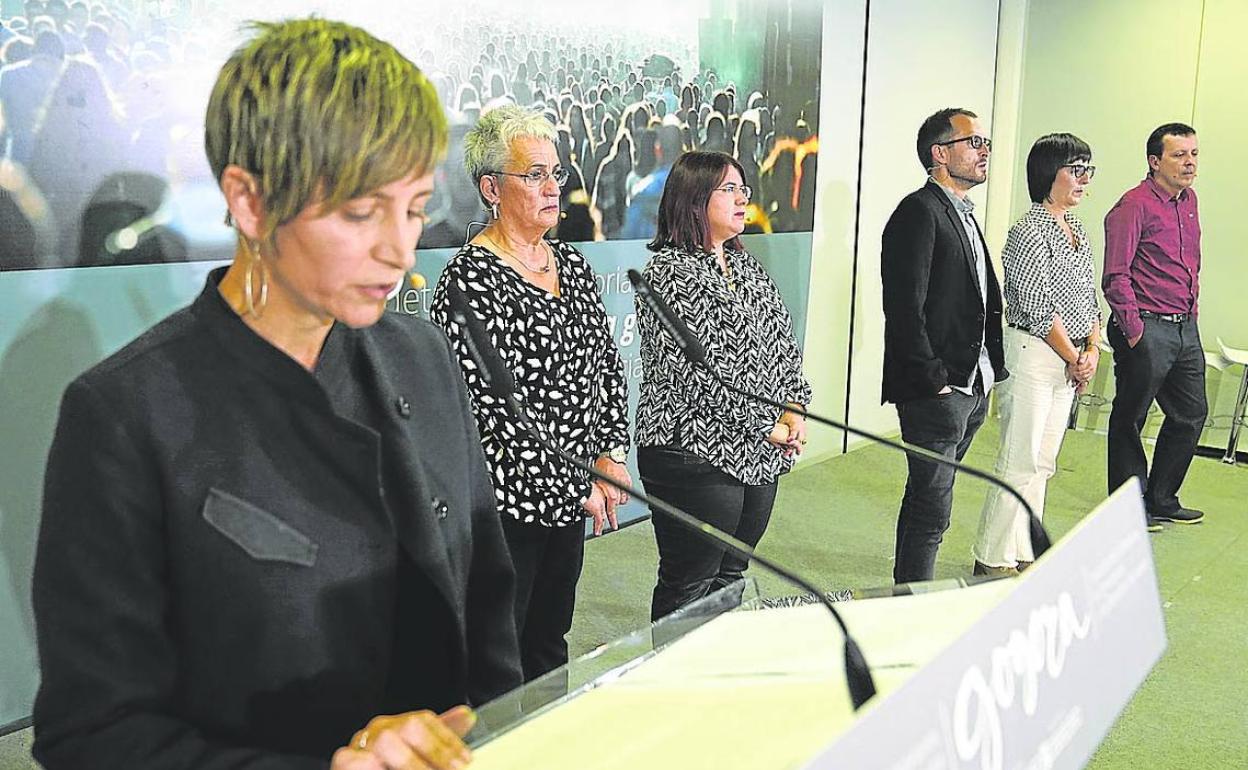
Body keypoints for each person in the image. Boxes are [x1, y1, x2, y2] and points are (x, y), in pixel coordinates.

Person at [32, 19, 521, 769]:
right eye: (360, 212)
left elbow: (487, 610)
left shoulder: (421, 355)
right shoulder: (125, 416)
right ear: (251, 202)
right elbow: (93, 733)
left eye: (416, 206)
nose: (398, 247)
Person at [429, 104, 630, 682]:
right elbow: (496, 410)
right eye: (534, 174)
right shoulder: (469, 280)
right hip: (506, 508)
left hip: (571, 498)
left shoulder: (571, 262)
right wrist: (578, 481)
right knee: (499, 655)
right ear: (491, 188)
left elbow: (606, 371)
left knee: (550, 640)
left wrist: (609, 456)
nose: (551, 188)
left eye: (555, 173)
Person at [634, 150, 810, 621]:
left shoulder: (746, 266)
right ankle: (672, 690)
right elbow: (698, 377)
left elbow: (784, 346)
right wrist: (766, 426)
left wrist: (794, 408)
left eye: (743, 189)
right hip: (692, 451)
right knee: (689, 583)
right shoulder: (668, 275)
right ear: (694, 200)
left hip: (758, 452)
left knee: (732, 575)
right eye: (728, 189)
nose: (742, 199)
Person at [881, 107, 1008, 584]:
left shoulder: (964, 215)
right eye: (973, 142)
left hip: (971, 382)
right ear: (940, 153)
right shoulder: (919, 211)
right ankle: (911, 600)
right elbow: (904, 305)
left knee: (938, 498)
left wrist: (985, 372)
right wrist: (934, 379)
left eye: (985, 143)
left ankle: (914, 594)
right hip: (938, 389)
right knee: (930, 505)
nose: (984, 152)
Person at [973, 133, 1101, 576]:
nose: (1084, 179)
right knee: (1019, 457)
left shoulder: (1077, 228)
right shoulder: (1028, 230)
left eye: (1088, 169)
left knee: (1043, 460)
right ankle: (991, 555)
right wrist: (1073, 355)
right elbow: (1033, 305)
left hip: (1070, 356)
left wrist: (1092, 349)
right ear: (1049, 173)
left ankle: (1025, 547)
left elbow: (1088, 297)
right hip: (1035, 352)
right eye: (1075, 169)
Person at [1103, 123, 1207, 528]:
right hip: (1146, 326)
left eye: (1194, 153)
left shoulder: (1189, 201)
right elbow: (1116, 275)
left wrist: (1192, 314)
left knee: (1191, 414)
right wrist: (1134, 330)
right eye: (1179, 155)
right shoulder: (1133, 205)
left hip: (1184, 328)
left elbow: (1190, 263)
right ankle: (1127, 508)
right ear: (1154, 161)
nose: (1190, 163)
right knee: (1131, 417)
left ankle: (1161, 497)